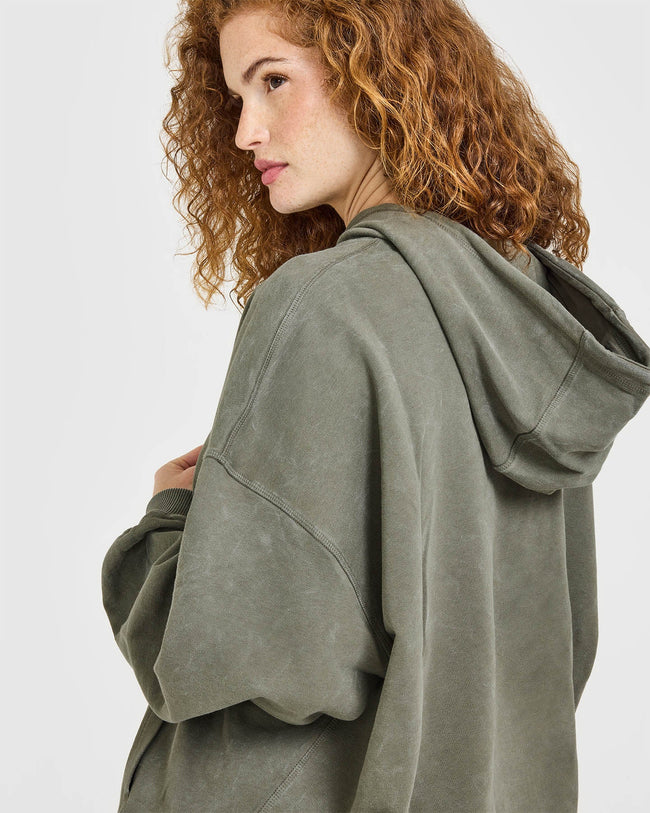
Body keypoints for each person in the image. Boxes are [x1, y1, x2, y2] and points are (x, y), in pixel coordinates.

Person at [101, 1, 650, 811]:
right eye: (237, 97)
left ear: (376, 73)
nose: (245, 131)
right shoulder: (519, 310)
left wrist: (168, 524)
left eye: (274, 81)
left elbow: (233, 659)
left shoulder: (323, 303)